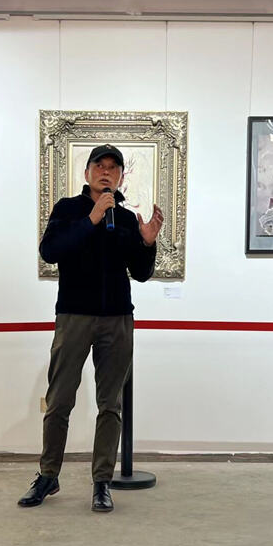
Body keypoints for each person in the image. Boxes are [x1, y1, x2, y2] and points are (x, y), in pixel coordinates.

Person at [18, 144, 164, 512]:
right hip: (74, 316)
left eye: (113, 167)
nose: (106, 172)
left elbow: (141, 273)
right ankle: (48, 475)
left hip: (117, 318)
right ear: (87, 174)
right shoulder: (67, 209)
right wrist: (92, 218)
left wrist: (148, 243)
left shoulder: (126, 218)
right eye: (100, 165)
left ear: (120, 177)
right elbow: (50, 251)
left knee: (110, 405)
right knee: (59, 400)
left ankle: (102, 482)